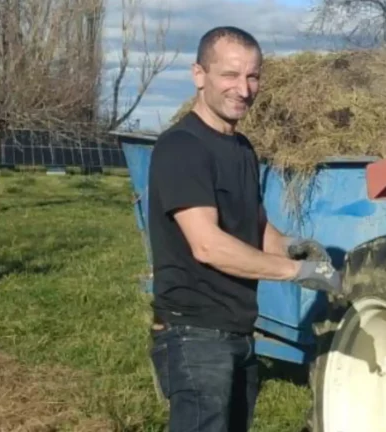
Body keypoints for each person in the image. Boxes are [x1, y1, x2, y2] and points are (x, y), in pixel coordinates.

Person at [146, 26, 342, 432]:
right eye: (230, 75)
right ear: (199, 75)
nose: (244, 89)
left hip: (237, 331)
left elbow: (255, 227)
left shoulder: (242, 149)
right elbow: (208, 245)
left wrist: (293, 247)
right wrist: (296, 272)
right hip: (194, 333)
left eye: (253, 76)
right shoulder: (182, 147)